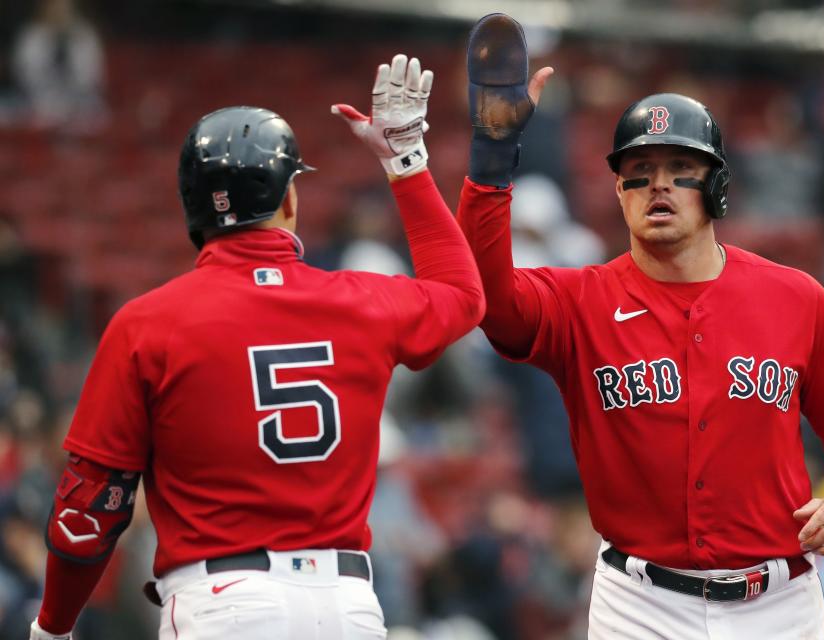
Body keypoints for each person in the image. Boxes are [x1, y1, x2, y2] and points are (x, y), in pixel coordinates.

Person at [456, 13, 824, 640]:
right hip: (641, 605)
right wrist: (493, 159)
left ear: (715, 186)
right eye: (640, 169)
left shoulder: (794, 296)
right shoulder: (580, 301)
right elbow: (489, 298)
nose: (658, 183)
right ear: (619, 190)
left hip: (780, 604)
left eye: (679, 167)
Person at [29, 53, 484, 640]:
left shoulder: (147, 323)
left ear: (191, 208)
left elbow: (92, 506)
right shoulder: (361, 302)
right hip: (346, 605)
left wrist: (54, 626)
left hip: (223, 603)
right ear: (289, 200)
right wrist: (405, 160)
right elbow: (463, 294)